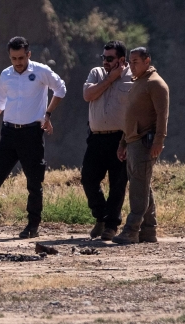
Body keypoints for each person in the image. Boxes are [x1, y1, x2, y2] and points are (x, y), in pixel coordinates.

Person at [0, 36, 66, 239]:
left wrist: (47, 114)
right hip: (9, 133)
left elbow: (61, 89)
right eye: (14, 58)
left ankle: (32, 226)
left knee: (34, 183)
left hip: (31, 134)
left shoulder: (41, 71)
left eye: (21, 58)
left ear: (28, 54)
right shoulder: (6, 74)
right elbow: (0, 101)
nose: (18, 62)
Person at [113, 46, 170, 245]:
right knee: (142, 184)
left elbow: (162, 115)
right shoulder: (138, 83)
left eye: (136, 61)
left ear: (147, 61)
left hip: (145, 142)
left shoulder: (156, 84)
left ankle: (131, 229)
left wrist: (159, 141)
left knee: (138, 187)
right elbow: (130, 115)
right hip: (133, 140)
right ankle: (148, 230)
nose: (131, 66)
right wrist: (123, 142)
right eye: (130, 62)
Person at [82, 40, 133, 241]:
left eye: (110, 59)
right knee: (88, 178)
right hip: (96, 137)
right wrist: (110, 78)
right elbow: (88, 94)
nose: (105, 62)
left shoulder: (132, 78)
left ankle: (111, 225)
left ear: (122, 60)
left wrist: (128, 140)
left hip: (120, 138)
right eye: (104, 57)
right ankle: (101, 216)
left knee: (118, 183)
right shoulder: (96, 73)